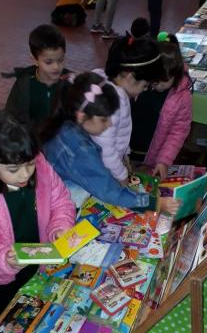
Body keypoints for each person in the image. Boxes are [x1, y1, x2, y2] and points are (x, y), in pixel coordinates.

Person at [0, 110, 76, 332]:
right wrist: (3, 258)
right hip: (0, 275)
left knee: (31, 312)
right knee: (0, 321)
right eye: (13, 170)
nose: (24, 175)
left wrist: (60, 227)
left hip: (38, 261)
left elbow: (61, 200)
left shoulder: (40, 166)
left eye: (29, 164)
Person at [41, 71, 179, 214]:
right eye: (104, 120)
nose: (110, 125)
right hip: (63, 207)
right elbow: (108, 191)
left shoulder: (67, 123)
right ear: (82, 116)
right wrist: (155, 204)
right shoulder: (79, 150)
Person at [91, 34, 163, 185]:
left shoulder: (102, 79)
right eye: (144, 86)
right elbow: (106, 151)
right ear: (130, 77)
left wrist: (125, 154)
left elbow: (118, 132)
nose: (143, 91)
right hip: (98, 173)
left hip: (103, 166)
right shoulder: (113, 102)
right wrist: (123, 178)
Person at [130, 32, 193, 180]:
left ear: (175, 75)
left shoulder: (182, 97)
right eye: (153, 80)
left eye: (161, 81)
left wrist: (163, 161)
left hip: (150, 157)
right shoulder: (141, 83)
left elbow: (177, 132)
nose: (155, 84)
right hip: (126, 150)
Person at [4, 24, 70, 128]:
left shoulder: (70, 82)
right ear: (35, 59)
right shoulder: (24, 84)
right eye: (48, 62)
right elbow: (11, 116)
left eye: (60, 60)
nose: (56, 67)